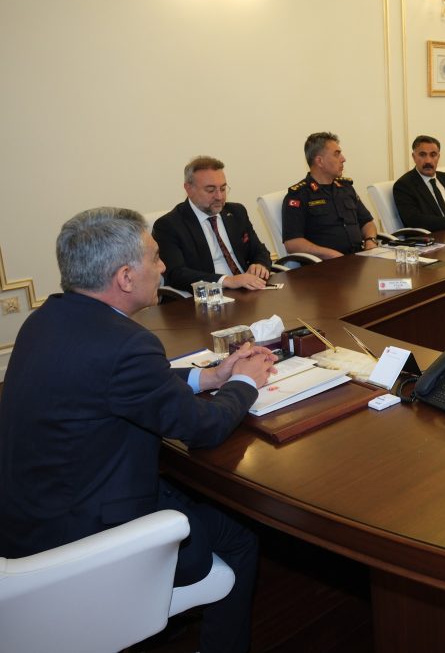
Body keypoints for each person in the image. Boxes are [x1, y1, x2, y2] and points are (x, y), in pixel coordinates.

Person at [0, 207, 277, 653]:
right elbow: (201, 429)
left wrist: (209, 377)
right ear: (126, 277)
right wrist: (245, 383)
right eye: (155, 257)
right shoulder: (126, 344)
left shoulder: (46, 319)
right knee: (240, 534)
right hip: (84, 543)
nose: (163, 267)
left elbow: (116, 382)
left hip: (29, 517)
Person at [152, 156, 273, 291]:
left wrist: (260, 264)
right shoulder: (168, 225)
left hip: (248, 288)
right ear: (189, 189)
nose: (219, 197)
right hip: (210, 296)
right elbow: (176, 274)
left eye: (223, 189)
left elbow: (259, 250)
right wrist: (227, 281)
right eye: (210, 190)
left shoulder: (236, 212)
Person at [282, 132, 378, 259]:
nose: (343, 159)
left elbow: (367, 222)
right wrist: (330, 254)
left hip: (359, 259)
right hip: (325, 265)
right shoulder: (299, 195)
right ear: (320, 161)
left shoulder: (346, 188)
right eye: (337, 154)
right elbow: (292, 243)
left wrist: (370, 240)